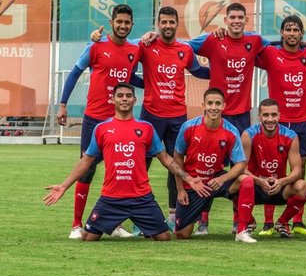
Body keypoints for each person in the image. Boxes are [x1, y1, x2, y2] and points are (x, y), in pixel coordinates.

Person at [94, 6, 210, 232]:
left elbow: (199, 72)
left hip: (177, 117)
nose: (168, 26)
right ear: (158, 24)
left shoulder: (184, 50)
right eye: (163, 22)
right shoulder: (146, 46)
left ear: (177, 24)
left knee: (175, 166)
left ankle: (173, 215)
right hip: (150, 117)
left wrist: (226, 70)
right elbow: (124, 64)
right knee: (138, 166)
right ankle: (130, 216)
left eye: (171, 22)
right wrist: (145, 83)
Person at [44, 82, 205, 241]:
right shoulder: (102, 129)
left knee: (164, 237)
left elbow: (166, 159)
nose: (124, 99)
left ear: (135, 100)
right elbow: (86, 161)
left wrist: (188, 179)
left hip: (142, 198)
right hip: (111, 198)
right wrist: (64, 186)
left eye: (128, 96)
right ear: (113, 100)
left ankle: (144, 223)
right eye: (120, 96)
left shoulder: (146, 128)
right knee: (88, 237)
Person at [57, 4, 140, 239]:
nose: (123, 25)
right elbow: (74, 73)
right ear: (111, 22)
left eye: (127, 22)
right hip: (95, 118)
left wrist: (151, 84)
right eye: (119, 21)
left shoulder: (135, 49)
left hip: (120, 120)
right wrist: (63, 104)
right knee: (87, 168)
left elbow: (130, 76)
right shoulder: (96, 45)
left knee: (119, 172)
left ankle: (114, 224)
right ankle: (76, 224)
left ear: (131, 25)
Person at [254, 15, 306, 236]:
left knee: (301, 170)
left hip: (301, 122)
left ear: (301, 34)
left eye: (296, 30)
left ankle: (295, 220)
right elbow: (256, 44)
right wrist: (283, 42)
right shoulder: (271, 53)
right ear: (282, 33)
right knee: (270, 168)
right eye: (288, 29)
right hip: (276, 121)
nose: (292, 33)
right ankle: (268, 223)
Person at [173, 88, 257, 243]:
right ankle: (187, 219)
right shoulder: (188, 127)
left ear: (223, 106)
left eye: (218, 103)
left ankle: (242, 230)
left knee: (246, 181)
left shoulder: (231, 131)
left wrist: (222, 179)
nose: (214, 107)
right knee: (182, 235)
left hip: (216, 180)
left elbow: (240, 163)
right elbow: (177, 157)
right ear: (203, 105)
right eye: (210, 103)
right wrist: (180, 188)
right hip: (194, 183)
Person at [241, 98, 306, 238]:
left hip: (280, 187)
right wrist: (259, 181)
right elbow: (241, 168)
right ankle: (249, 222)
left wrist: (282, 182)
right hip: (256, 187)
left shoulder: (290, 136)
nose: (270, 119)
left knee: (303, 186)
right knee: (235, 183)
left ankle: (282, 222)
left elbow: (297, 170)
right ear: (259, 116)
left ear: (279, 115)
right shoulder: (248, 135)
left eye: (274, 115)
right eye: (266, 115)